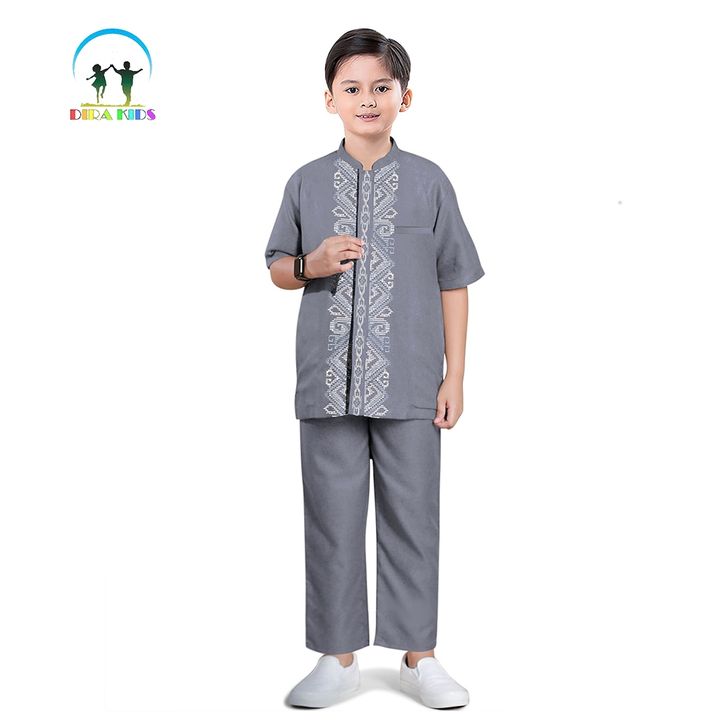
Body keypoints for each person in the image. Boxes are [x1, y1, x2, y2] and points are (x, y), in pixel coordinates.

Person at [264, 28, 485, 709]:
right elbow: (277, 268)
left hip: (412, 382)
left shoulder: (429, 182)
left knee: (414, 517)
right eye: (352, 88)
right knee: (330, 521)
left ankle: (420, 656)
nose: (367, 99)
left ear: (404, 98)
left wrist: (455, 376)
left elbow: (455, 278)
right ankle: (337, 658)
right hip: (326, 384)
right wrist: (312, 264)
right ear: (329, 98)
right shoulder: (305, 182)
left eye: (381, 88)